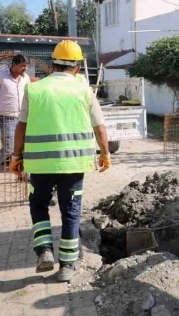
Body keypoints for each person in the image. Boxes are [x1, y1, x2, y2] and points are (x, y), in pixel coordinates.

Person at [10, 40, 111, 282]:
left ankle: (44, 250)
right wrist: (105, 154)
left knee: (38, 205)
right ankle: (67, 265)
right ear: (77, 67)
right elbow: (100, 128)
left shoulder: (34, 89)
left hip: (40, 165)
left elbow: (20, 128)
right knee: (71, 212)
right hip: (74, 164)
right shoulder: (84, 90)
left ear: (52, 64)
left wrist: (16, 157)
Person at [0, 54, 31, 180]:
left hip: (23, 117)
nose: (25, 68)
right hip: (7, 117)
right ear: (14, 65)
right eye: (22, 66)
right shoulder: (1, 76)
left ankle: (22, 174)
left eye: (26, 66)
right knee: (9, 147)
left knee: (26, 146)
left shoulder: (25, 78)